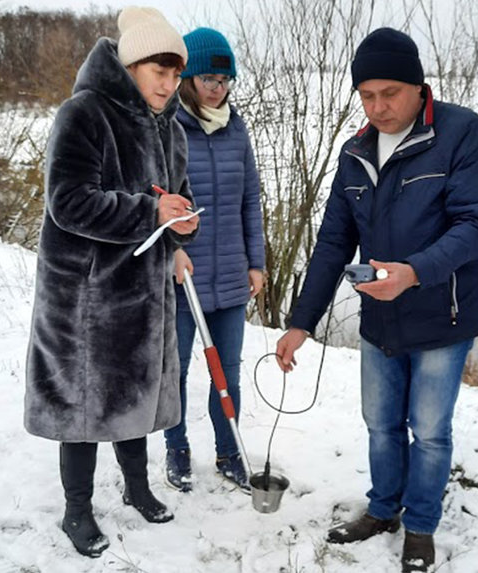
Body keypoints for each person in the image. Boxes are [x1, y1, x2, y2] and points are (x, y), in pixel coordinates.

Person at [275, 28, 478, 573]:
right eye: (367, 95)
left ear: (419, 87)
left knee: (428, 431)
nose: (378, 107)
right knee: (380, 424)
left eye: (390, 93)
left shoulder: (463, 135)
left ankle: (420, 526)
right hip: (380, 316)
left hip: (443, 317)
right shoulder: (354, 152)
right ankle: (383, 510)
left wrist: (414, 273)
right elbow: (333, 242)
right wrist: (301, 322)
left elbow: (476, 227)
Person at [24, 6, 199, 559]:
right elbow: (68, 203)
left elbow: (173, 200)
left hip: (143, 294)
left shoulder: (172, 130)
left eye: (176, 75)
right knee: (81, 409)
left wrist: (180, 226)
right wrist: (151, 213)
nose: (169, 85)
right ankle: (76, 511)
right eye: (159, 72)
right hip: (85, 296)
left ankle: (138, 487)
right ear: (130, 65)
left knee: (133, 395)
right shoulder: (84, 114)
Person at [164, 27, 265, 494]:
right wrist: (172, 251)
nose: (217, 89)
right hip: (182, 277)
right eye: (208, 79)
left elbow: (250, 201)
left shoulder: (236, 128)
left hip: (229, 277)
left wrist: (256, 262)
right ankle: (177, 448)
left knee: (228, 371)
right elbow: (154, 201)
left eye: (225, 81)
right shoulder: (166, 127)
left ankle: (229, 452)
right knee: (177, 370)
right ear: (188, 78)